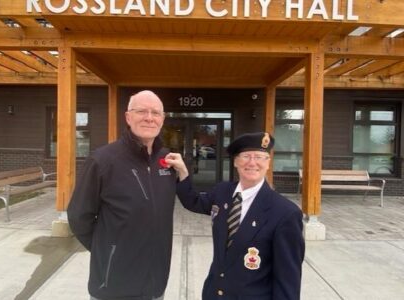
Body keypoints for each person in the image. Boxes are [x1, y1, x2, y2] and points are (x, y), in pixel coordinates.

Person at [165, 132, 305, 300]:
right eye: (246, 156)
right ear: (236, 162)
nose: (252, 163)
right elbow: (193, 201)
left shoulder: (285, 213)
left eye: (260, 157)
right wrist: (182, 171)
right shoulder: (223, 192)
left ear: (268, 163)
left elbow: (287, 279)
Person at [67, 90, 177, 300]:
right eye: (141, 111)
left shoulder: (167, 161)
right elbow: (78, 216)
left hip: (156, 284)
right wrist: (109, 251)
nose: (149, 117)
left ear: (162, 119)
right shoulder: (102, 160)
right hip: (114, 285)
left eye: (155, 112)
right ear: (128, 117)